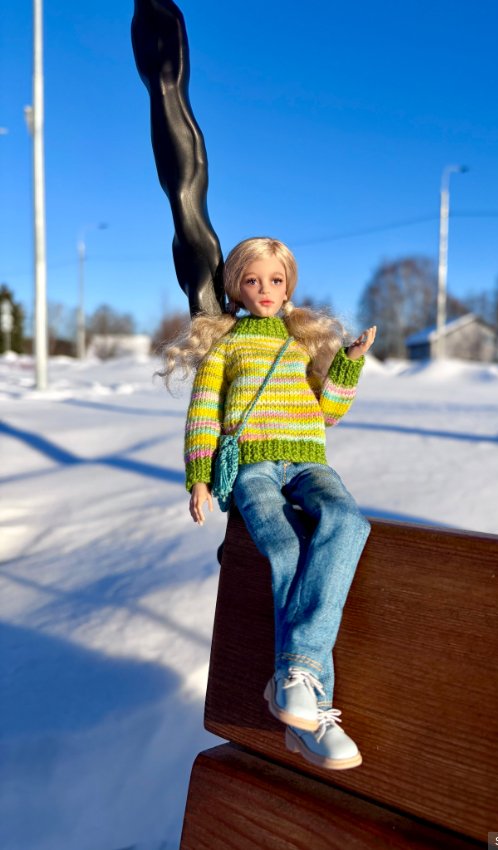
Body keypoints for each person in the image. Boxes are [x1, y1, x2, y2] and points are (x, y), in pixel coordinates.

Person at [160, 236, 376, 770]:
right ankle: (311, 709)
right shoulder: (226, 346)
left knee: (348, 522)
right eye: (252, 281)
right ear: (235, 286)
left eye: (275, 281)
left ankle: (293, 675)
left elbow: (328, 412)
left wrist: (348, 365)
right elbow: (203, 412)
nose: (264, 290)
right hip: (252, 466)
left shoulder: (301, 342)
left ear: (289, 287)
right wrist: (200, 477)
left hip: (309, 462)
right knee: (284, 548)